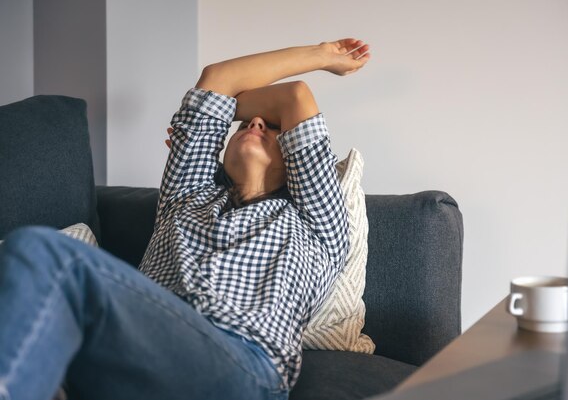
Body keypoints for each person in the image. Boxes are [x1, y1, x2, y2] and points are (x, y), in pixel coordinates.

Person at [0, 38, 370, 400]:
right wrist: (222, 111)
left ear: (294, 159)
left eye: (271, 126)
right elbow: (217, 78)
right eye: (244, 125)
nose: (255, 121)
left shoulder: (315, 220)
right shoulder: (188, 194)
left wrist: (324, 57)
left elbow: (294, 97)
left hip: (243, 363)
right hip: (139, 344)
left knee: (41, 251)